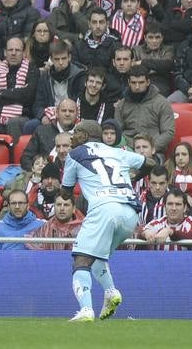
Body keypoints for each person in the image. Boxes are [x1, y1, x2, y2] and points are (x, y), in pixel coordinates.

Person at [61, 120, 149, 323]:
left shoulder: (76, 154)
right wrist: (133, 179)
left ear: (84, 135)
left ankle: (86, 310)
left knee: (81, 260)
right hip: (129, 213)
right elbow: (150, 163)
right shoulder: (117, 151)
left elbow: (65, 193)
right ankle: (110, 292)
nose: (71, 138)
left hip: (104, 208)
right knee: (97, 256)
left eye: (75, 134)